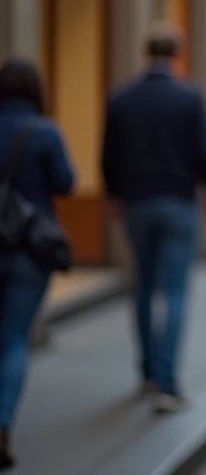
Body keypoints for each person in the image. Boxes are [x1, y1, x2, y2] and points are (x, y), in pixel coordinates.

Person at [101, 24, 206, 413]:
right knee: (174, 293)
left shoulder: (122, 98)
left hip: (136, 204)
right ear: (177, 54)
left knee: (143, 288)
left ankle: (148, 372)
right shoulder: (189, 96)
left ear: (144, 52)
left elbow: (109, 154)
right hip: (179, 204)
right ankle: (167, 385)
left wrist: (115, 195)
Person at [0, 59, 74, 469]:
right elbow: (66, 182)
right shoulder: (43, 132)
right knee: (14, 339)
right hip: (30, 249)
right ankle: (3, 426)